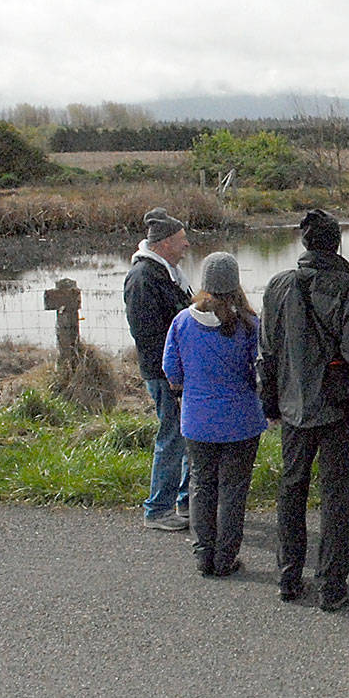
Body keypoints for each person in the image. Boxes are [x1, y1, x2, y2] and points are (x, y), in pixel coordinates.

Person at [259, 209, 349, 611]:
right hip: (338, 409)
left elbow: (268, 350)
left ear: (305, 244)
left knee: (291, 491)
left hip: (293, 407)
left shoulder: (277, 286)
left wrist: (270, 402)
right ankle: (331, 586)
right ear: (336, 243)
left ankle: (287, 578)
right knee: (335, 496)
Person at [162, 252, 266, 578]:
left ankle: (203, 555)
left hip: (197, 419)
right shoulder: (249, 325)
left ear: (205, 283)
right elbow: (260, 372)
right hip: (241, 420)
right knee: (233, 492)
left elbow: (171, 370)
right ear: (236, 283)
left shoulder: (182, 322)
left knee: (201, 485)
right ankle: (226, 558)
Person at [124, 207, 193, 531]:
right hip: (165, 374)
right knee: (172, 438)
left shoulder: (164, 273)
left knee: (183, 437)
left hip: (175, 371)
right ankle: (158, 509)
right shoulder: (143, 278)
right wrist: (173, 375)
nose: (187, 246)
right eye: (181, 240)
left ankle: (184, 501)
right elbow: (149, 335)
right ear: (164, 243)